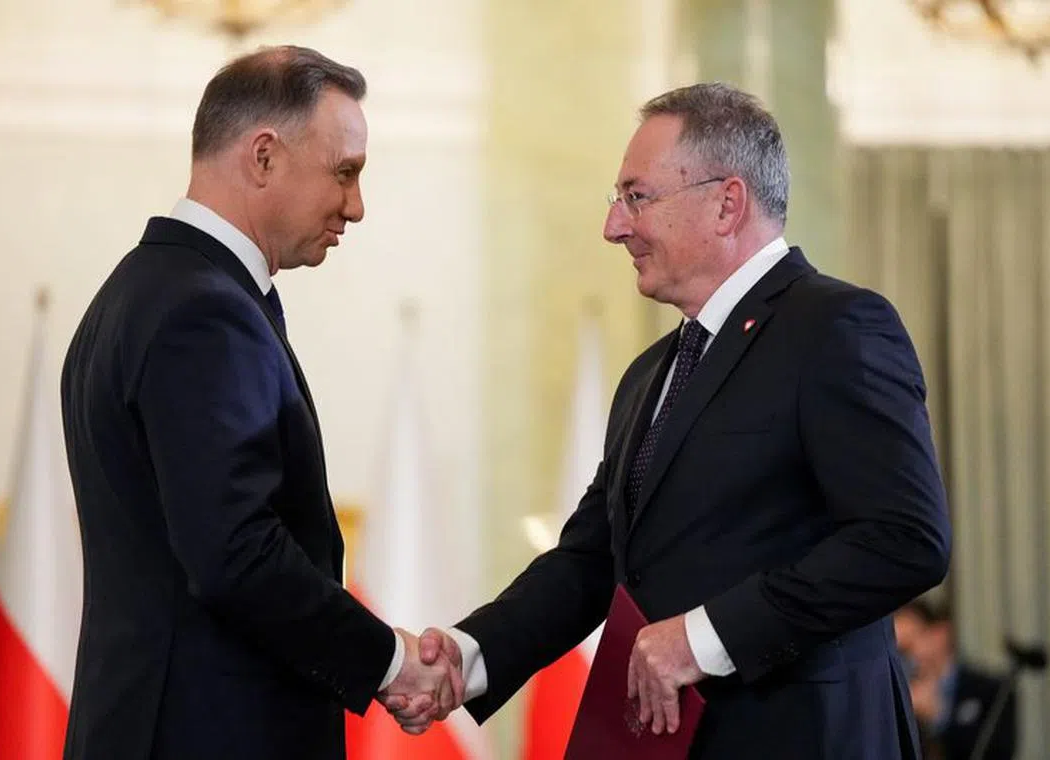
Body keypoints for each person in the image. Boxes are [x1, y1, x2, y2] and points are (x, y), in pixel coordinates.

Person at [393, 82, 952, 758]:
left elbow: (903, 539)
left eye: (637, 197)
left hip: (806, 735)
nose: (614, 226)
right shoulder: (650, 373)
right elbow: (589, 562)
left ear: (727, 203)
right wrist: (467, 653)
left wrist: (705, 638)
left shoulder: (836, 328)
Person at [59, 46, 459, 760]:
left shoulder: (139, 289)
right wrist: (390, 661)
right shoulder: (202, 313)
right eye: (345, 172)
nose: (356, 207)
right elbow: (234, 552)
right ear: (265, 157)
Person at [894, 600, 1017, 760]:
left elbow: (998, 751)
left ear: (939, 634)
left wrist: (939, 717)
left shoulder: (992, 691)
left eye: (908, 647)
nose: (905, 660)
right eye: (897, 653)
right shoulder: (896, 696)